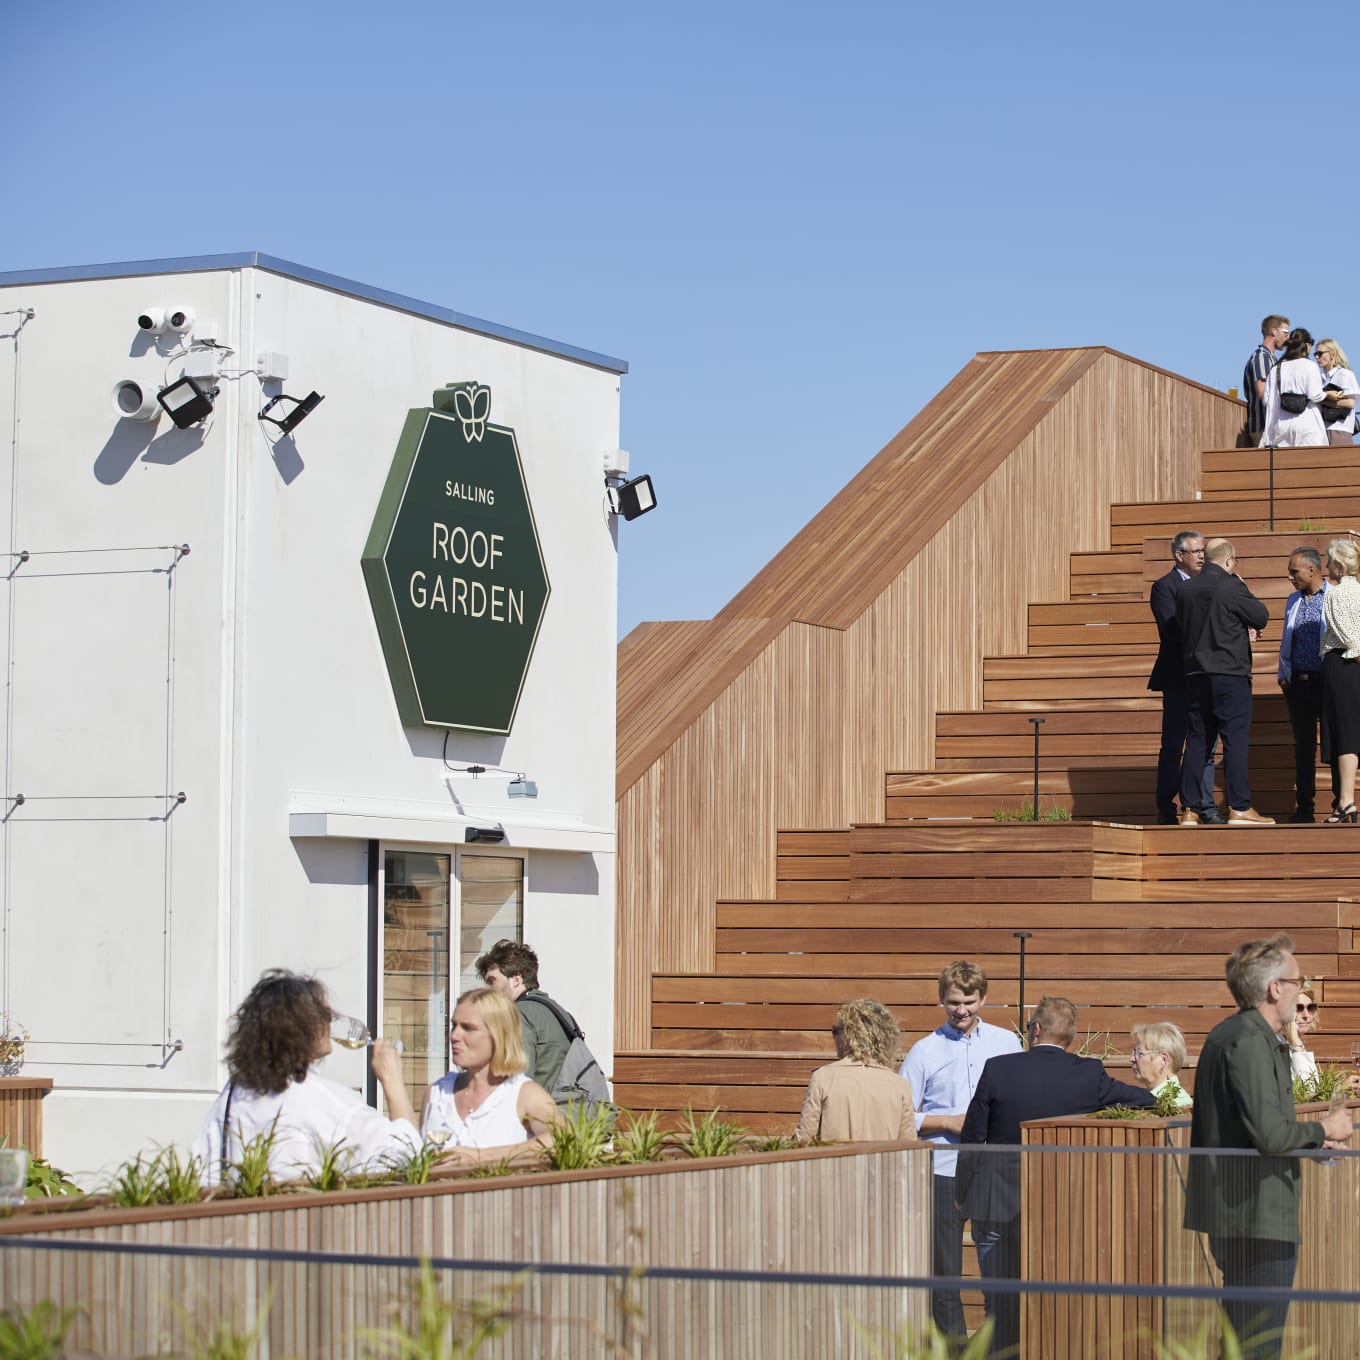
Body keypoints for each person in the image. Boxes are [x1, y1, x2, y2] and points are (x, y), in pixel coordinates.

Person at [955, 996, 1155, 1359]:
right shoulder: (1088, 1073)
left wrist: (961, 1195)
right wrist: (1172, 1092)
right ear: (1071, 1038)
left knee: (1000, 1304)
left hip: (995, 1201)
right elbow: (1141, 1100)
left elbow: (972, 1140)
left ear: (1034, 1030)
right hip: (1059, 1207)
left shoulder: (997, 1068)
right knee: (1054, 1299)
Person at [1184, 934, 1352, 1360]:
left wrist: (1314, 1142)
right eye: (1298, 983)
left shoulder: (1254, 1037)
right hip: (1253, 1217)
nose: (1301, 992)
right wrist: (1322, 1129)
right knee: (1257, 1346)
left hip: (1254, 1212)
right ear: (1276, 988)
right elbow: (1271, 1135)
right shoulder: (1247, 1040)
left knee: (1246, 1342)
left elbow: (1263, 1129)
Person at [192, 969, 420, 1187]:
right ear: (307, 1029)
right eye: (323, 1014)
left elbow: (205, 1171)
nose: (330, 1021)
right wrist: (393, 1082)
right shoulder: (319, 1099)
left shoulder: (234, 1094)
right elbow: (407, 1155)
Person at [899, 960, 1022, 1348]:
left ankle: (999, 1346)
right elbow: (902, 1114)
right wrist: (947, 1122)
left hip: (992, 1171)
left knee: (1000, 1268)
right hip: (942, 1169)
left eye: (969, 1001)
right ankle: (953, 1351)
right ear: (941, 1000)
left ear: (983, 998)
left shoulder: (1007, 1044)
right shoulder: (924, 1051)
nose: (962, 1010)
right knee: (945, 1271)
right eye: (954, 1002)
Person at [1177, 538, 1273, 825]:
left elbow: (1185, 624)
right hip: (1230, 675)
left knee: (1197, 741)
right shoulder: (1232, 585)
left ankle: (1190, 811)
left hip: (1196, 675)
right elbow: (1261, 617)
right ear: (1229, 560)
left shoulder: (1185, 589)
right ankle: (1240, 807)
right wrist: (1241, 584)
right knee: (1235, 741)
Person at [421, 987, 561, 1169]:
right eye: (454, 1025)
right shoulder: (437, 1093)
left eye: (468, 1028)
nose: (454, 1036)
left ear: (498, 1035)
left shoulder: (523, 1094)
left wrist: (483, 1157)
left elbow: (560, 1142)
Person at [1149, 530, 1219, 823]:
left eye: (1203, 550)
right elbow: (1171, 629)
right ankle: (1167, 806)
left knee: (1206, 744)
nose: (1202, 555)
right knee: (1174, 744)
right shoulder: (1165, 587)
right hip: (1179, 677)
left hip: (1206, 674)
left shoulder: (1211, 584)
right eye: (1196, 551)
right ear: (1179, 555)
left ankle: (1204, 805)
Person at [793, 997, 915, 1144]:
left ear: (849, 1035)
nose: (834, 1037)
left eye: (835, 1030)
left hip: (834, 1166)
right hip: (882, 1166)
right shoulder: (900, 1086)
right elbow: (909, 1148)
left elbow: (803, 1141)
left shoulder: (822, 1078)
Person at [476, 938, 582, 1097]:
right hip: (570, 1114)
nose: (487, 989)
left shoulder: (518, 1014)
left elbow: (519, 1082)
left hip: (539, 1115)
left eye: (492, 981)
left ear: (516, 980)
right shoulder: (558, 1011)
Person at [1277, 547, 1335, 822]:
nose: (1290, 577)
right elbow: (1286, 639)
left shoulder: (1334, 596)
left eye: (1294, 571)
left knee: (1334, 744)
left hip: (1327, 682)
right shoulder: (1293, 600)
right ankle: (1305, 809)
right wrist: (1283, 676)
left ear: (1312, 570)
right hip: (1298, 684)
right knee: (1303, 748)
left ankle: (1340, 804)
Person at [1320, 537, 1360, 824]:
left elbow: (1348, 638)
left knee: (1346, 732)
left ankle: (1346, 801)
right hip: (1350, 664)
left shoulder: (1336, 592)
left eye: (1328, 560)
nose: (1325, 566)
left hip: (1344, 664)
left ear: (1338, 565)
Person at [1260, 329, 1327, 448]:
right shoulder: (1310, 366)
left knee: (1284, 465)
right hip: (1307, 427)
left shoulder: (1276, 368)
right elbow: (1315, 395)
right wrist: (1328, 395)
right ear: (1307, 345)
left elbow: (1266, 399)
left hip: (1281, 427)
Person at [1244, 316, 1290, 444]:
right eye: (1285, 332)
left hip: (1271, 428)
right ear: (1274, 331)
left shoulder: (1271, 359)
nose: (1288, 337)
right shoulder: (1261, 357)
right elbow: (1262, 392)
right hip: (1263, 428)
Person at [1130, 1021, 1193, 1108]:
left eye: (1140, 1053)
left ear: (1163, 1060)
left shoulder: (1176, 1106)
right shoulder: (1153, 1100)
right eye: (1134, 1052)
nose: (1132, 1059)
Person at [1314, 338, 1359, 446]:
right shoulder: (1319, 378)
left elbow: (1350, 403)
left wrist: (1322, 400)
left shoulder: (1344, 374)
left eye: (1320, 354)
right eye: (1315, 354)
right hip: (1321, 430)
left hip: (1339, 429)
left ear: (1332, 354)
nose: (1317, 357)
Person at [1283, 983, 1320, 1082]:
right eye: (1298, 1008)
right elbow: (1309, 1090)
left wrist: (1339, 1088)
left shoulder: (1295, 1043)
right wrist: (1294, 1040)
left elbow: (1314, 1090)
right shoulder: (1278, 1047)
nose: (1306, 1015)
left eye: (1310, 1007)